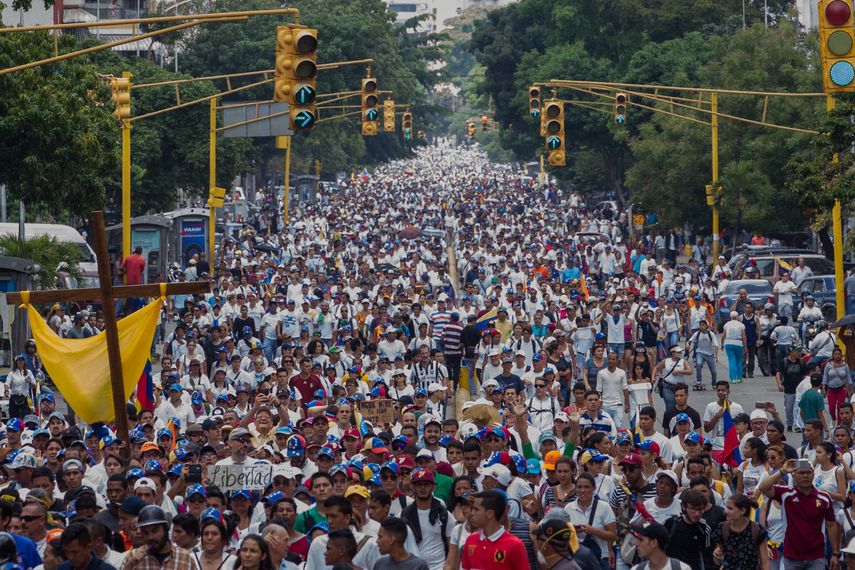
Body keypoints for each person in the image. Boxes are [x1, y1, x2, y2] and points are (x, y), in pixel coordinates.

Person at [757, 458, 842, 570]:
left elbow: (831, 525)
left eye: (808, 473)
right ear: (794, 476)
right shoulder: (786, 494)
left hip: (817, 557)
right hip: (792, 557)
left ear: (813, 475)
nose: (805, 476)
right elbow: (763, 487)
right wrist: (782, 471)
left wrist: (835, 553)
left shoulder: (824, 498)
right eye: (801, 473)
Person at [461, 490, 528, 570]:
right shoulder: (470, 540)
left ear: (489, 513)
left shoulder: (515, 545)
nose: (472, 513)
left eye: (476, 509)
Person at [120, 505, 197, 569]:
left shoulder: (185, 558)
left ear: (165, 529)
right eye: (145, 533)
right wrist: (131, 564)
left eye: (155, 531)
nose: (150, 537)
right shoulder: (133, 557)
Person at [721, 312, 747, 384]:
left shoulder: (727, 324)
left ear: (730, 317)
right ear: (737, 317)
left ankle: (733, 378)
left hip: (728, 343)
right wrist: (745, 346)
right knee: (738, 361)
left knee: (731, 360)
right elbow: (744, 336)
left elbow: (723, 335)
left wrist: (722, 344)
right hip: (738, 344)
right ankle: (739, 378)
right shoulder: (741, 325)